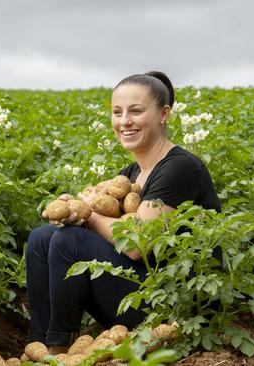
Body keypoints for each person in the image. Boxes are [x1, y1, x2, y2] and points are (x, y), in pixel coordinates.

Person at [25, 71, 221, 354]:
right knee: (42, 237)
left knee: (70, 241)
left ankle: (59, 351)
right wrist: (76, 211)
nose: (124, 121)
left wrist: (90, 217)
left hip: (173, 309)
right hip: (138, 290)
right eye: (117, 112)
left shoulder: (180, 168)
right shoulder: (130, 173)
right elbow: (107, 231)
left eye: (136, 111)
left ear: (164, 114)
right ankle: (38, 346)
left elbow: (135, 245)